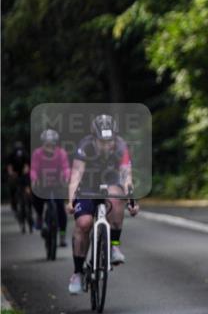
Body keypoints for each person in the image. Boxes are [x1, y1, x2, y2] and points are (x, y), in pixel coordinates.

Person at [66, 115, 139, 294]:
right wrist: (70, 201)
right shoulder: (85, 146)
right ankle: (77, 272)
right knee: (83, 224)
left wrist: (132, 200)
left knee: (116, 197)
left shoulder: (121, 146)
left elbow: (126, 176)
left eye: (110, 141)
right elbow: (76, 175)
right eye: (102, 141)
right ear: (94, 138)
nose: (107, 145)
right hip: (88, 184)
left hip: (111, 181)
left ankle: (114, 245)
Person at [30, 129, 70, 246]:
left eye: (51, 144)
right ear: (43, 143)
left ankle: (62, 235)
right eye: (47, 144)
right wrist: (34, 179)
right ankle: (39, 217)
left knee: (60, 208)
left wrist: (66, 177)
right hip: (43, 184)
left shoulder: (61, 153)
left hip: (57, 184)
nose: (49, 147)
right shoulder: (37, 153)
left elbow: (65, 167)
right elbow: (34, 169)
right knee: (36, 196)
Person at [5, 140, 30, 215]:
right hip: (14, 173)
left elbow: (27, 164)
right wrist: (12, 173)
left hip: (23, 173)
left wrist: (25, 171)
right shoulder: (11, 155)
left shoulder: (25, 154)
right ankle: (13, 201)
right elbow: (9, 166)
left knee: (27, 182)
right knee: (12, 185)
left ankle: (28, 196)